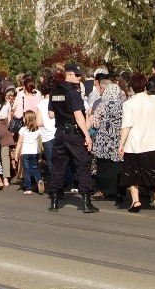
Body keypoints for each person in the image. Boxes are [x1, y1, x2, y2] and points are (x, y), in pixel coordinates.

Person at [47, 63, 97, 214]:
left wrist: (62, 111)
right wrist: (87, 135)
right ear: (68, 75)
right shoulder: (74, 93)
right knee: (83, 164)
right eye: (76, 75)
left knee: (58, 166)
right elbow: (78, 115)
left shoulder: (54, 91)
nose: (79, 77)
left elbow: (51, 114)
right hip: (74, 133)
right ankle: (86, 203)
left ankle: (54, 202)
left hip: (60, 133)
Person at [117, 73, 155, 214]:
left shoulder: (128, 104)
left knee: (132, 173)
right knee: (154, 171)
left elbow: (126, 125)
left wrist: (121, 143)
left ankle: (136, 201)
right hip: (152, 141)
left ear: (132, 87)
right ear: (145, 86)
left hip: (134, 143)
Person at [90, 72, 124, 202]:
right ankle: (118, 191)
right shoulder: (123, 105)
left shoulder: (102, 105)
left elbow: (95, 122)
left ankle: (103, 190)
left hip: (104, 140)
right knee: (117, 165)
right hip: (118, 139)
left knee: (104, 166)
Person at [15, 110, 44, 195]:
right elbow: (40, 140)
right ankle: (39, 180)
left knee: (27, 170)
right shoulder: (37, 129)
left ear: (26, 119)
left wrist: (16, 153)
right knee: (35, 168)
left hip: (25, 152)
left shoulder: (23, 129)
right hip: (34, 151)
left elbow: (19, 142)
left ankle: (28, 188)